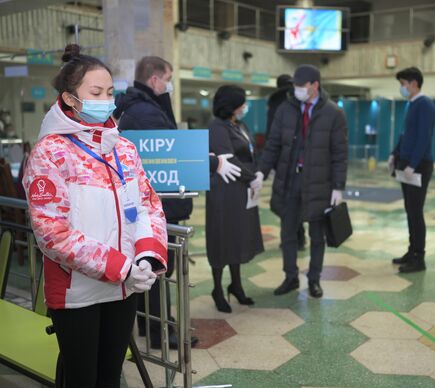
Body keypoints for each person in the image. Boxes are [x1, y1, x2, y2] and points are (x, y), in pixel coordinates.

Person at [23, 44, 167, 388]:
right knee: (80, 378)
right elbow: (52, 233)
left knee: (110, 375)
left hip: (124, 289)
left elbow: (148, 205)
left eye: (110, 92)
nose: (107, 99)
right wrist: (121, 267)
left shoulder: (124, 149)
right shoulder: (51, 153)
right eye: (96, 92)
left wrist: (147, 256)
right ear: (71, 98)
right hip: (77, 292)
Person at [114, 57, 240, 347]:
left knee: (151, 268)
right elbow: (172, 152)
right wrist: (211, 163)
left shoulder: (138, 107)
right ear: (156, 80)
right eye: (168, 78)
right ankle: (161, 334)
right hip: (160, 204)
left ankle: (151, 327)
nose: (169, 84)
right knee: (158, 268)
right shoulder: (146, 113)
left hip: (151, 201)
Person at [258, 64, 348, 298]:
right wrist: (262, 171)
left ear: (314, 86)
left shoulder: (334, 113)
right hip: (290, 179)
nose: (297, 90)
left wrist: (338, 187)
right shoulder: (285, 110)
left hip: (319, 183)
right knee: (288, 232)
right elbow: (273, 144)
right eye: (295, 86)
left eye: (301, 86)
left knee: (317, 236)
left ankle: (314, 280)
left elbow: (340, 153)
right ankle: (290, 277)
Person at [206, 85, 264, 312]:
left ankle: (236, 285)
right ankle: (217, 289)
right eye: (242, 102)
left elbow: (250, 151)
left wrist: (257, 172)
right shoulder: (217, 127)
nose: (245, 106)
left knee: (238, 237)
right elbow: (229, 159)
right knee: (223, 237)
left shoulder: (239, 125)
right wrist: (251, 177)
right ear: (231, 106)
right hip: (225, 191)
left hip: (242, 190)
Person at [388, 67, 435, 273]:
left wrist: (413, 165)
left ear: (414, 83)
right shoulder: (411, 104)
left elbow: (423, 138)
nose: (402, 88)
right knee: (409, 210)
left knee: (416, 212)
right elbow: (405, 134)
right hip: (406, 163)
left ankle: (419, 257)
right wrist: (394, 153)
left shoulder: (425, 104)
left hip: (418, 165)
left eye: (403, 84)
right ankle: (412, 250)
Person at [266, 74, 306, 251]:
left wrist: (270, 164)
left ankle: (290, 238)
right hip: (300, 161)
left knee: (284, 202)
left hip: (282, 161)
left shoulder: (275, 103)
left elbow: (271, 136)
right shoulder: (300, 102)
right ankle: (300, 237)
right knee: (297, 201)